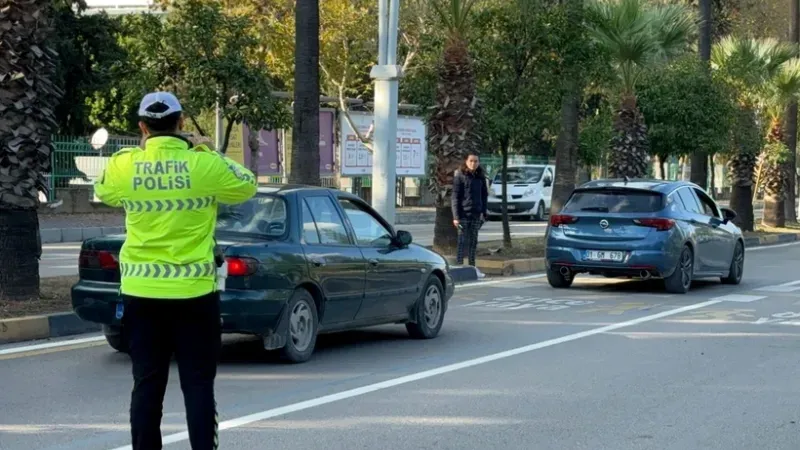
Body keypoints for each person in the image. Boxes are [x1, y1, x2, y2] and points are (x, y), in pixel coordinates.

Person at [94, 91, 258, 450]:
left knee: (146, 386)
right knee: (198, 386)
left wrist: (137, 157)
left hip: (142, 296)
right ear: (182, 123)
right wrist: (206, 150)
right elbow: (247, 183)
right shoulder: (204, 165)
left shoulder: (125, 166)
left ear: (142, 127)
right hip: (195, 297)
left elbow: (102, 187)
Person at [451, 151, 488, 266]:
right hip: (463, 214)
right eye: (471, 161)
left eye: (476, 161)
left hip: (476, 214)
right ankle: (459, 265)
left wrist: (483, 212)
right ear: (466, 162)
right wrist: (456, 217)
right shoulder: (460, 176)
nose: (473, 163)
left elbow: (484, 196)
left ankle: (472, 266)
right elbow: (455, 197)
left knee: (473, 241)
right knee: (462, 241)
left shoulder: (481, 177)